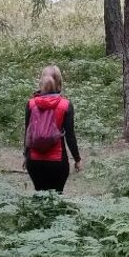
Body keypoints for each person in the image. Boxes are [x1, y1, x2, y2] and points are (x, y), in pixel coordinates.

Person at [23, 65, 82, 193]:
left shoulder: (31, 104)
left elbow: (28, 133)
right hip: (57, 161)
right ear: (59, 82)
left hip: (34, 161)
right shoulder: (65, 105)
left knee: (39, 197)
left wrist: (25, 156)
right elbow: (70, 137)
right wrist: (77, 159)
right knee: (56, 199)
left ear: (41, 82)